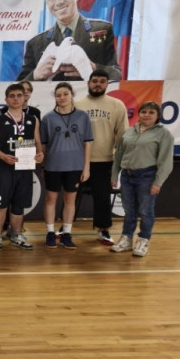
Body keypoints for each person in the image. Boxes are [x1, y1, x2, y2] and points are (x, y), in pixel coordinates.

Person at [18, 0, 121, 82]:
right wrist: (35, 75)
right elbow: (17, 89)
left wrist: (94, 68)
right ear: (47, 2)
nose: (59, 2)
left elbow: (118, 76)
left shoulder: (103, 30)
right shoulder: (35, 44)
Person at [110, 102, 174, 257]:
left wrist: (158, 182)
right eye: (144, 112)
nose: (147, 115)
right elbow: (119, 155)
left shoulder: (164, 134)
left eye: (151, 112)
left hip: (147, 177)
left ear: (158, 115)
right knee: (129, 210)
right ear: (138, 114)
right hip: (127, 176)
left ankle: (143, 240)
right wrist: (114, 174)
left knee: (145, 211)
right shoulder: (129, 132)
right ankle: (126, 239)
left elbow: (166, 161)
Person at [0, 84, 44, 250]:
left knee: (19, 205)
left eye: (19, 95)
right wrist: (3, 156)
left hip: (24, 169)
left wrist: (40, 154)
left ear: (24, 97)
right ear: (6, 99)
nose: (16, 99)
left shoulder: (33, 120)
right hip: (4, 168)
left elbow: (38, 142)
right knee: (0, 204)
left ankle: (16, 235)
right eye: (12, 96)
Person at [75, 69, 128, 245]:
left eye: (102, 81)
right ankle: (65, 227)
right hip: (78, 160)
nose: (98, 84)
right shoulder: (76, 104)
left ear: (107, 84)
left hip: (104, 160)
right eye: (95, 81)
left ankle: (103, 229)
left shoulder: (117, 105)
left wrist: (120, 159)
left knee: (103, 197)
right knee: (71, 196)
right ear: (88, 83)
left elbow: (122, 135)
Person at [41, 82, 93, 250]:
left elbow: (88, 143)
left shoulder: (83, 116)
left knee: (70, 200)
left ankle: (66, 233)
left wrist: (86, 167)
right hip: (53, 166)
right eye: (58, 95)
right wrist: (42, 164)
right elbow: (43, 145)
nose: (62, 97)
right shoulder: (48, 118)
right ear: (54, 98)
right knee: (51, 199)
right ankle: (50, 232)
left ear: (72, 94)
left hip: (75, 166)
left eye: (65, 94)